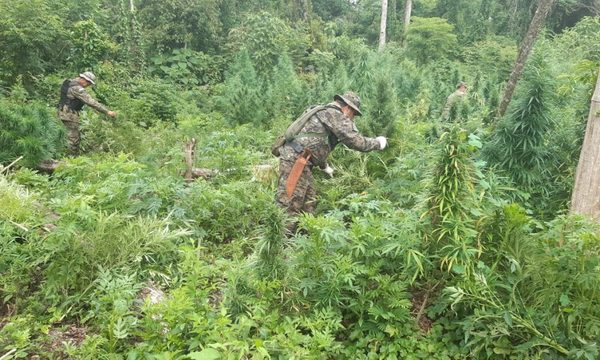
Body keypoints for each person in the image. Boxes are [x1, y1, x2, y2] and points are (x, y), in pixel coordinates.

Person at [275, 91, 387, 229]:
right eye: (354, 114)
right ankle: (279, 245)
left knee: (308, 203)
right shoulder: (334, 114)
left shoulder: (325, 112)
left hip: (301, 161)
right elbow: (355, 141)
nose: (352, 119)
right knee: (290, 205)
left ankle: (300, 243)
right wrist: (378, 143)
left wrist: (324, 166)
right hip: (296, 161)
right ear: (348, 108)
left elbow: (314, 142)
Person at [57, 72, 117, 155]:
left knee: (64, 135)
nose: (88, 85)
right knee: (73, 139)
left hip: (62, 112)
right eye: (88, 82)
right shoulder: (77, 88)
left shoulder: (69, 82)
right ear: (83, 78)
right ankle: (72, 159)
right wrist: (107, 111)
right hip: (70, 115)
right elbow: (90, 101)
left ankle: (60, 154)